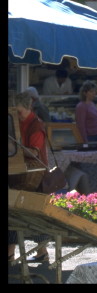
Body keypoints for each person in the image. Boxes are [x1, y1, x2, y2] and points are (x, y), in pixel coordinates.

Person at [8, 91, 50, 264]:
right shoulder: (16, 122)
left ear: (27, 108)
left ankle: (39, 252)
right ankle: (35, 252)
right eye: (15, 112)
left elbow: (35, 152)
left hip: (34, 175)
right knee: (17, 212)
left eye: (19, 112)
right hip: (20, 173)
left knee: (28, 213)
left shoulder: (36, 125)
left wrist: (15, 148)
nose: (17, 116)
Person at [75, 81, 97, 146]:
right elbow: (81, 125)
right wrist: (85, 140)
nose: (94, 93)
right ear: (85, 93)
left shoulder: (92, 103)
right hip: (89, 137)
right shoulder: (81, 106)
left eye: (95, 91)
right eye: (91, 91)